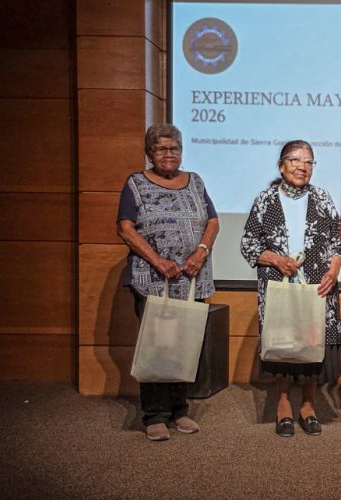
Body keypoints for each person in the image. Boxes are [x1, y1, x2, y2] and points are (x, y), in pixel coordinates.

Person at [116, 123, 219, 441]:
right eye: (161, 149)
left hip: (191, 280)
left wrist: (201, 251)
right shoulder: (135, 183)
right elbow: (126, 228)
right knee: (157, 346)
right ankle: (154, 416)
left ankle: (179, 410)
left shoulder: (196, 181)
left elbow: (213, 221)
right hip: (152, 280)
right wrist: (158, 261)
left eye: (174, 148)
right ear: (149, 153)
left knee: (184, 347)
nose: (168, 154)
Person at [241, 140, 341, 438]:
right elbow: (248, 243)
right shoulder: (265, 199)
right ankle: (283, 403)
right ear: (281, 165)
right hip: (279, 285)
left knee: (313, 343)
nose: (302, 166)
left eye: (309, 161)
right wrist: (274, 259)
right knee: (283, 343)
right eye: (295, 160)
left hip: (317, 284)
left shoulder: (322, 197)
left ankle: (308, 405)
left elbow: (338, 242)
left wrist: (335, 269)